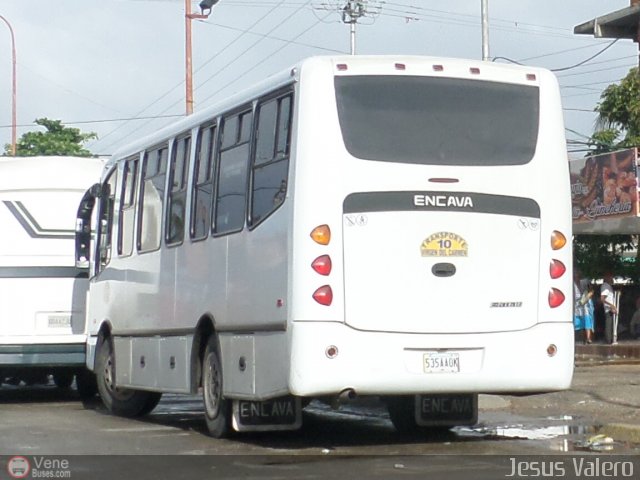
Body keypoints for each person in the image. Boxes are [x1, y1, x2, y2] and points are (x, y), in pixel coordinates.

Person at [573, 269, 594, 344]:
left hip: (585, 303)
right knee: (578, 322)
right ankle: (583, 339)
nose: (576, 277)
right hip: (576, 304)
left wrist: (588, 296)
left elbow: (591, 291)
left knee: (587, 320)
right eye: (575, 275)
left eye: (577, 275)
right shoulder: (571, 284)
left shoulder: (585, 281)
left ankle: (588, 338)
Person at [600, 271, 618, 345]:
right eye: (611, 277)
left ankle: (609, 340)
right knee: (609, 324)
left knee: (611, 324)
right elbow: (602, 299)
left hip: (611, 308)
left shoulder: (608, 286)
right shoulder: (605, 286)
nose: (612, 278)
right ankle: (608, 340)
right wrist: (611, 305)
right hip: (609, 309)